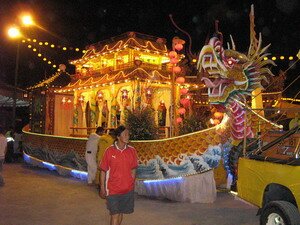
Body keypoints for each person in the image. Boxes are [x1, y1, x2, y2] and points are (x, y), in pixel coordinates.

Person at [99, 125, 138, 225]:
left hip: (127, 189)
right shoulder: (109, 151)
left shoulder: (132, 151)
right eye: (125, 134)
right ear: (118, 136)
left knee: (120, 213)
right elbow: (103, 170)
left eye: (128, 134)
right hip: (112, 190)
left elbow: (133, 169)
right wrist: (102, 187)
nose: (127, 136)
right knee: (115, 215)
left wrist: (131, 184)